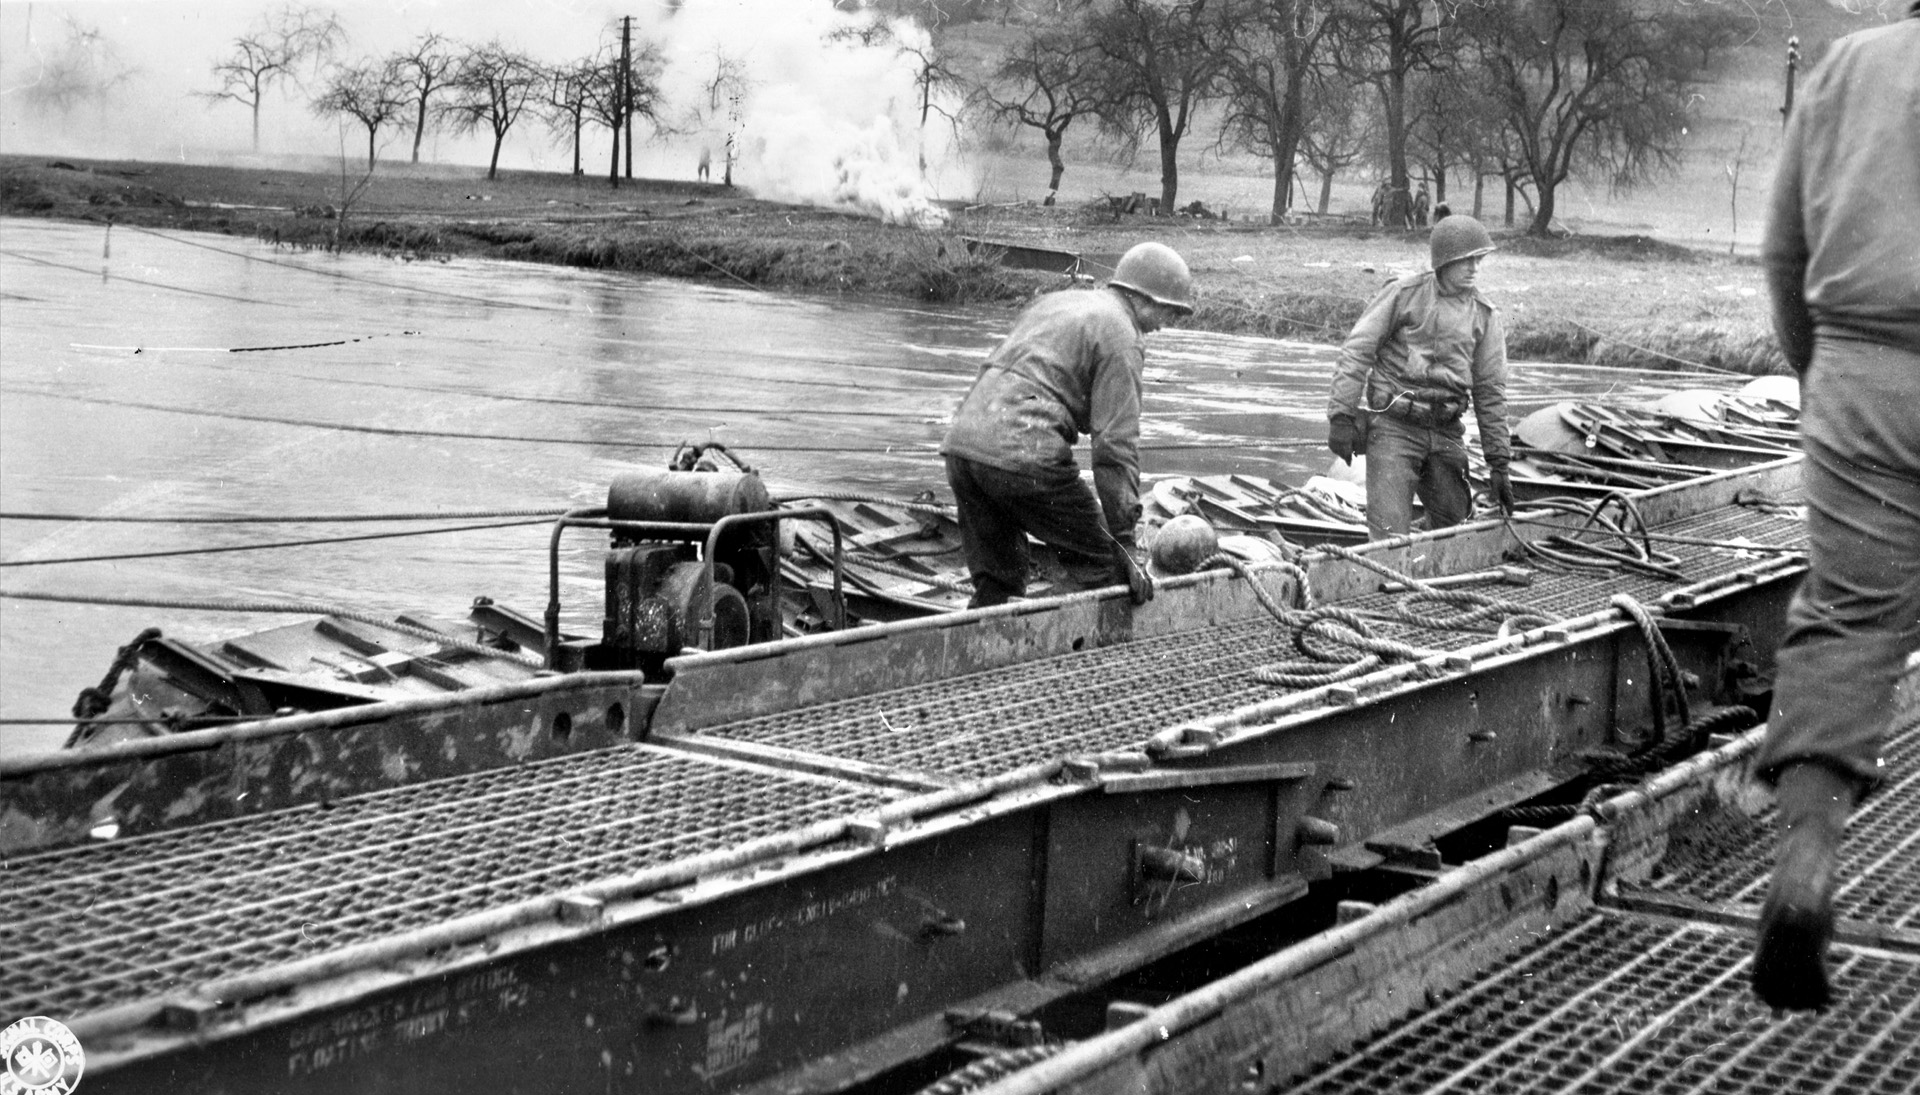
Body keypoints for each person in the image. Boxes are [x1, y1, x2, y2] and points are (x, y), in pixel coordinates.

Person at [1748, 3, 1920, 1013]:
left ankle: (1806, 870)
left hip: (1861, 375)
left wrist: (1827, 382)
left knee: (1850, 625)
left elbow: (1782, 252)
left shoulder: (1851, 66)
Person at [941, 242, 1194, 609]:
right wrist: (1123, 540)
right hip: (1024, 455)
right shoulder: (1123, 335)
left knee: (997, 583)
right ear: (1144, 298)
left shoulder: (1058, 301)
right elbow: (1114, 446)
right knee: (1103, 564)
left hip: (962, 446)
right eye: (1168, 314)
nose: (1162, 327)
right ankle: (1092, 658)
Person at [1326, 214, 1515, 540]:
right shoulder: (1403, 295)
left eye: (1478, 261)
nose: (1474, 269)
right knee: (1388, 538)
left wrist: (1499, 464)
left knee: (1454, 533)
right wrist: (1341, 416)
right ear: (1443, 262)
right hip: (1393, 430)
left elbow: (1490, 391)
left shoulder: (1484, 316)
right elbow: (1357, 351)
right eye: (1465, 261)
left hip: (1446, 433)